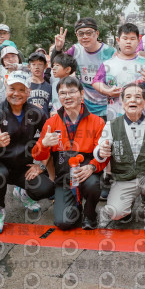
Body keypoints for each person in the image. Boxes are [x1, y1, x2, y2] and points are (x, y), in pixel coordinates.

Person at [0, 71, 55, 235]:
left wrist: (40, 166)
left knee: (47, 188)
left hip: (21, 165)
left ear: (29, 92)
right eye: (12, 88)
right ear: (5, 89)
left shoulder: (36, 113)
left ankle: (22, 192)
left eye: (22, 90)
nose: (16, 93)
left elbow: (47, 140)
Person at [32, 76, 108, 230]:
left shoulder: (97, 122)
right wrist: (44, 144)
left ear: (82, 94)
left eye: (72, 92)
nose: (67, 96)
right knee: (63, 223)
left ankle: (90, 213)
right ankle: (75, 205)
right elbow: (38, 156)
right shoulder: (51, 123)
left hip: (87, 174)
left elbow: (104, 155)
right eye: (62, 93)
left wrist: (92, 167)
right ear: (58, 97)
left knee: (93, 184)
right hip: (64, 179)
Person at [95, 83, 145, 231]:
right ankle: (126, 208)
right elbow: (99, 148)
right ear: (122, 103)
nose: (133, 100)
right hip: (123, 178)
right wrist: (100, 152)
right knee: (115, 213)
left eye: (138, 97)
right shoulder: (111, 125)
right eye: (128, 97)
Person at [93, 23, 145, 121]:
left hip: (144, 118)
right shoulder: (108, 64)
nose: (128, 42)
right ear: (118, 40)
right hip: (116, 117)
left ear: (138, 41)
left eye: (132, 39)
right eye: (125, 38)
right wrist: (108, 91)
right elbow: (96, 82)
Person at [52, 18, 117, 121]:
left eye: (89, 33)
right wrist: (58, 48)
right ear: (76, 36)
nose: (85, 37)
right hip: (85, 110)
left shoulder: (110, 52)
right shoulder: (76, 50)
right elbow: (57, 65)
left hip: (108, 108)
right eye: (81, 34)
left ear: (97, 33)